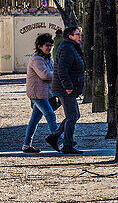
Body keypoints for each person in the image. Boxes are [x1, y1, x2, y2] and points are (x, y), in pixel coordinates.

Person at [50, 25, 84, 155]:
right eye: (77, 34)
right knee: (72, 116)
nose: (80, 37)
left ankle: (55, 137)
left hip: (68, 87)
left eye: (80, 34)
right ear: (70, 36)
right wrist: (68, 86)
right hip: (65, 89)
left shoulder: (71, 47)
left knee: (74, 115)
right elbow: (62, 69)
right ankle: (67, 145)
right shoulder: (67, 48)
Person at [23, 33, 59, 153]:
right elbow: (45, 75)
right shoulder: (36, 59)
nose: (49, 48)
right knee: (50, 115)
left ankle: (26, 145)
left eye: (50, 46)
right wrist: (57, 75)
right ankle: (61, 142)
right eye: (47, 45)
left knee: (34, 120)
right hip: (37, 94)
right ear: (40, 46)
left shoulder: (47, 58)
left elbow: (50, 73)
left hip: (44, 93)